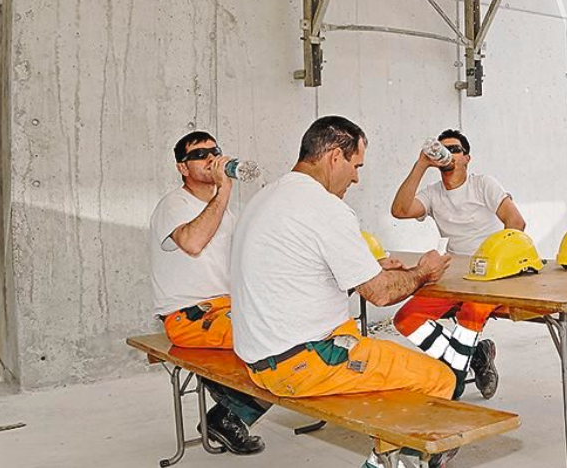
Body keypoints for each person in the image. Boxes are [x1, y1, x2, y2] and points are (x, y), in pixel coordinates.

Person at [230, 116, 459, 467]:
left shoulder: (266, 198)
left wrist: (366, 269)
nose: (356, 177)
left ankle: (386, 453)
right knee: (439, 379)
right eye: (356, 166)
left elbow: (294, 275)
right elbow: (380, 295)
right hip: (302, 362)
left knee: (381, 358)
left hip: (259, 355)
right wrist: (422, 273)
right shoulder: (325, 207)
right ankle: (385, 460)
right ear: (335, 157)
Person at [147, 131, 268, 455]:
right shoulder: (174, 205)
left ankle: (227, 413)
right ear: (182, 168)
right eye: (200, 154)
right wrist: (224, 189)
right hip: (190, 316)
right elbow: (192, 242)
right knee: (273, 338)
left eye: (215, 151)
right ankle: (227, 415)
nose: (211, 158)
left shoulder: (224, 212)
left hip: (228, 310)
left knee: (293, 332)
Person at [389, 129, 525, 400]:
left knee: (471, 313)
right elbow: (400, 210)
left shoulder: (483, 184)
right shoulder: (433, 193)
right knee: (406, 319)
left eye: (455, 149)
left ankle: (454, 382)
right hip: (452, 277)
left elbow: (516, 223)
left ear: (467, 158)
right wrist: (421, 164)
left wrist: (498, 263)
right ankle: (476, 354)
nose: (448, 153)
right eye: (443, 148)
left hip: (489, 277)